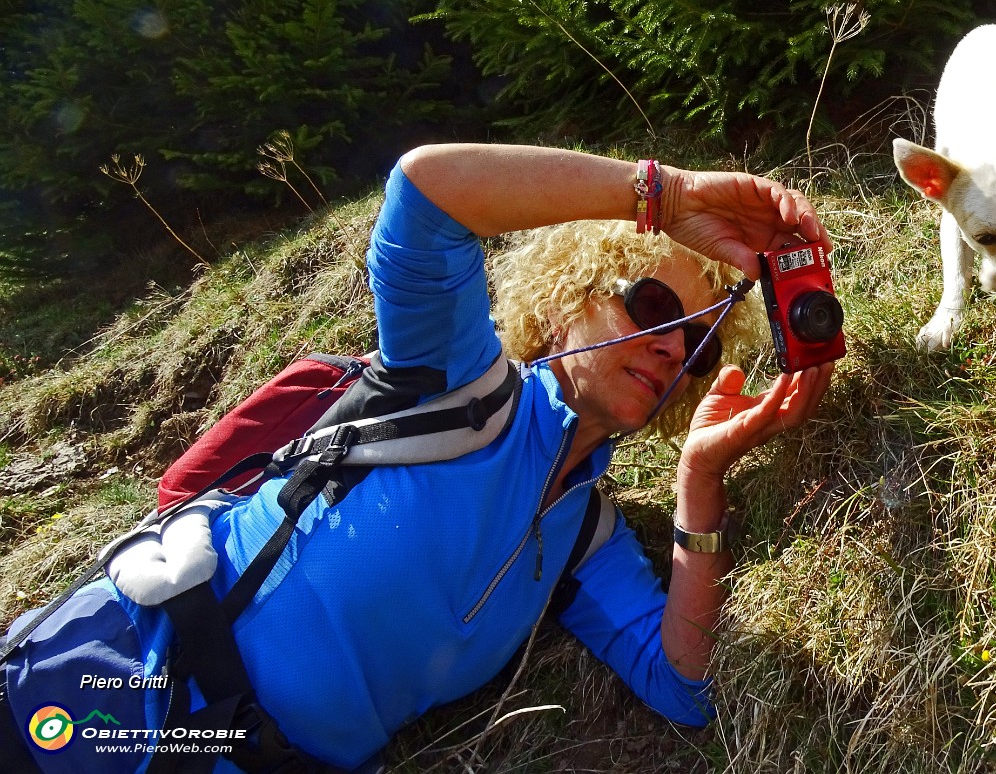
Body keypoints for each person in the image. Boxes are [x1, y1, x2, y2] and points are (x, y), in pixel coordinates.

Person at [0, 143, 835, 773]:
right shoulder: (456, 380)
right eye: (651, 305)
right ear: (564, 300)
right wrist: (666, 196)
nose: (669, 346)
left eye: (697, 341)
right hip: (102, 689)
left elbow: (682, 685)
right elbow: (426, 192)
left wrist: (699, 483)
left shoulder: (587, 537)